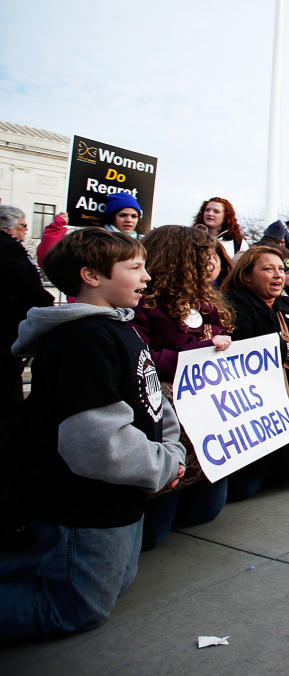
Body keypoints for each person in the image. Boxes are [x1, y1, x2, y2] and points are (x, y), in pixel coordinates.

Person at [2, 229, 184, 640]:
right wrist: (164, 464)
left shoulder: (121, 329)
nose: (146, 277)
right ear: (91, 275)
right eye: (135, 268)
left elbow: (153, 400)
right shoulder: (80, 340)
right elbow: (97, 444)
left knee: (113, 580)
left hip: (121, 498)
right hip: (85, 506)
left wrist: (170, 452)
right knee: (72, 607)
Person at [129, 226, 234, 550]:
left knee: (204, 512)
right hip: (167, 422)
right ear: (178, 260)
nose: (211, 264)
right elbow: (141, 358)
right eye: (202, 258)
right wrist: (195, 355)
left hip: (207, 421)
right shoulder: (142, 304)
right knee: (152, 535)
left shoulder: (207, 304)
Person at [221, 246, 289, 500]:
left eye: (281, 269)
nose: (278, 275)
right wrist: (288, 350)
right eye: (268, 269)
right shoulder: (232, 306)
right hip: (255, 409)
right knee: (245, 488)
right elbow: (238, 347)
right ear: (246, 275)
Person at [1, 205, 53, 409]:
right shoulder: (10, 250)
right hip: (8, 329)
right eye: (23, 226)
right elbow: (25, 284)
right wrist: (45, 301)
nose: (26, 231)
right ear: (8, 227)